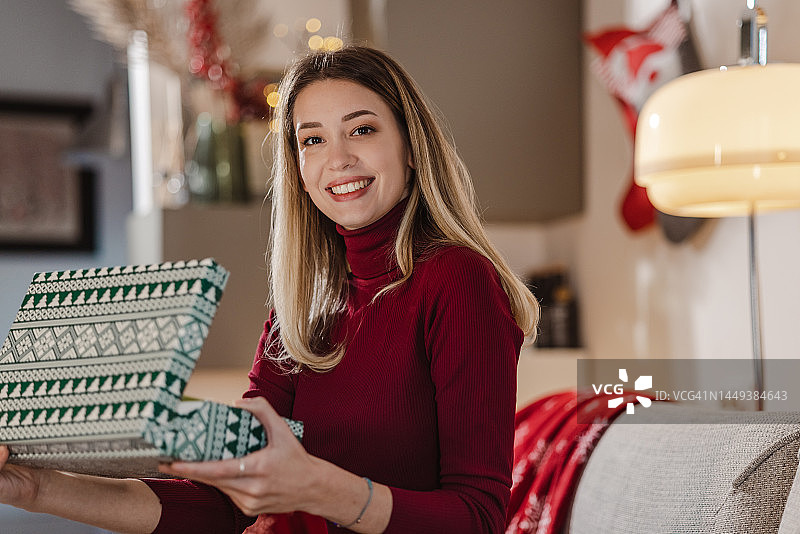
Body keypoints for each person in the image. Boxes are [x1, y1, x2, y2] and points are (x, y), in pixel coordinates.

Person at [0, 45, 538, 533]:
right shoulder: (302, 307)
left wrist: (317, 489)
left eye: (364, 129)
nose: (339, 157)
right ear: (299, 171)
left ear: (412, 147)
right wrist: (38, 488)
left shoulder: (458, 280)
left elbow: (479, 517)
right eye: (313, 139)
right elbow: (231, 500)